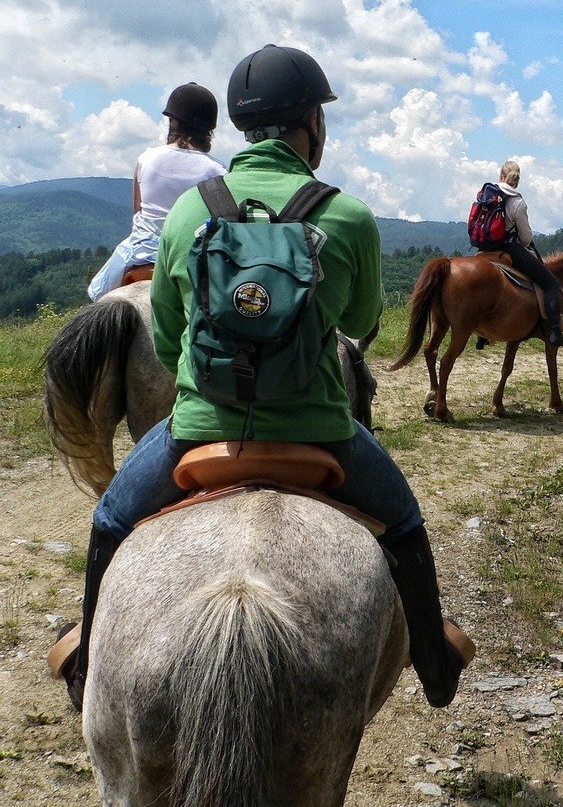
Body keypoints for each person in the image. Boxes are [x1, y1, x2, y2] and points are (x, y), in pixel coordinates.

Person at [50, 45, 473, 712]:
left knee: (109, 518)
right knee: (405, 521)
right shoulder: (351, 216)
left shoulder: (191, 212)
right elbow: (361, 322)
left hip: (198, 432)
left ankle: (85, 664)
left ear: (245, 126)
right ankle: (435, 664)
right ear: (312, 121)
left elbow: (164, 337)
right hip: (323, 433)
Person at [87, 83, 226, 301]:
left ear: (173, 122)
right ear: (209, 130)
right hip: (188, 257)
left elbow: (138, 212)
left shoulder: (146, 158)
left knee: (96, 295)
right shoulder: (217, 172)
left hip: (139, 253)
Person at [480, 160, 563, 349]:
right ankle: (555, 333)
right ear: (517, 180)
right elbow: (525, 238)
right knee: (550, 284)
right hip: (509, 249)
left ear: (501, 175)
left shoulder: (487, 193)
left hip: (485, 249)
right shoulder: (518, 202)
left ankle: (482, 334)